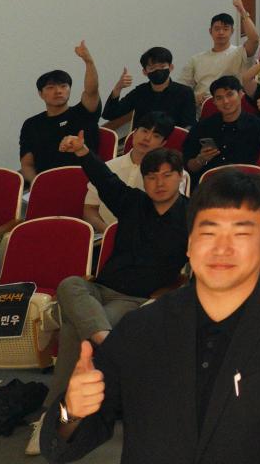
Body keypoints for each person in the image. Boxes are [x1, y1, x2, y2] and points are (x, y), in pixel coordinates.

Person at [40, 169, 260, 463]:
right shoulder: (141, 327)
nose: (222, 249)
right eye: (208, 232)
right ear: (191, 241)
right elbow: (64, 442)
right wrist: (71, 412)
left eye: (242, 233)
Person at [37, 134, 189, 451]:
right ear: (143, 180)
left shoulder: (192, 216)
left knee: (76, 331)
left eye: (167, 175)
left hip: (134, 300)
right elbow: (103, 178)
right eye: (152, 176)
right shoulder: (133, 202)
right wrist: (82, 151)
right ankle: (111, 346)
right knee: (69, 284)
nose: (159, 183)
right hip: (99, 288)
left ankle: (52, 415)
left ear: (180, 178)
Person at [21, 43, 103, 182]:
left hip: (87, 180)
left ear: (69, 89)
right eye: (50, 87)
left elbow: (91, 91)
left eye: (63, 86)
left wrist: (89, 62)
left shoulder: (84, 112)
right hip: (47, 183)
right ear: (41, 94)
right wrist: (38, 185)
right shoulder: (31, 124)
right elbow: (27, 164)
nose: (58, 91)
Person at [182, 76, 260, 179]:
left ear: (240, 94)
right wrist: (201, 160)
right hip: (211, 183)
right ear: (214, 102)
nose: (225, 101)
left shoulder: (256, 124)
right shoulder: (203, 127)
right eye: (219, 98)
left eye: (230, 94)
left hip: (244, 182)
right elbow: (189, 168)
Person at [100, 46, 197, 132]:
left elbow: (188, 126)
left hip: (171, 143)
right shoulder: (140, 92)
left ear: (171, 67)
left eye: (162, 66)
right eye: (152, 68)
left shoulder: (185, 92)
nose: (158, 71)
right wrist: (118, 88)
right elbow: (109, 114)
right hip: (141, 142)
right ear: (145, 72)